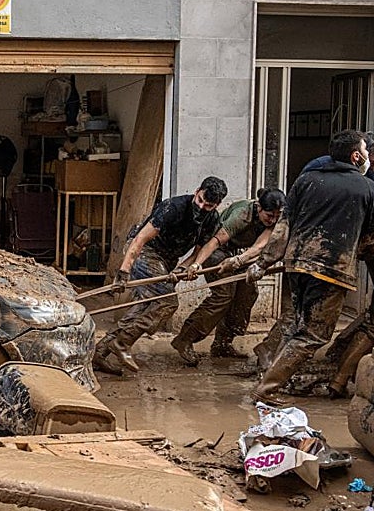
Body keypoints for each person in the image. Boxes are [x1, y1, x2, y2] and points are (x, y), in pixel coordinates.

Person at [251, 129, 374, 403]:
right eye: (365, 151)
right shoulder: (367, 188)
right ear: (356, 156)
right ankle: (267, 388)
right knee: (313, 335)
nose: (368, 155)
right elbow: (369, 238)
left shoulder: (306, 180)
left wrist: (264, 262)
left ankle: (272, 375)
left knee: (298, 326)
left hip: (296, 266)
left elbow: (283, 226)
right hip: (330, 271)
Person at [93, 176, 227, 376]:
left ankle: (101, 351)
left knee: (146, 306)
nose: (201, 207)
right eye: (200, 200)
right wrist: (123, 272)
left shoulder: (212, 219)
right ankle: (122, 343)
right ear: (197, 191)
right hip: (145, 251)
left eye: (208, 206)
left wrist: (185, 268)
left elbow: (198, 253)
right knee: (167, 302)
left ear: (216, 205)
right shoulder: (173, 207)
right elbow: (139, 239)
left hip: (167, 260)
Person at [169, 188, 286, 364]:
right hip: (216, 251)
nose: (273, 220)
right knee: (223, 295)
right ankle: (185, 339)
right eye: (269, 215)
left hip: (237, 254)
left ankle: (222, 343)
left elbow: (259, 246)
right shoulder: (242, 214)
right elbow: (214, 242)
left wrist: (239, 260)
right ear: (259, 207)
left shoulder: (275, 221)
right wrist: (195, 264)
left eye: (277, 216)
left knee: (247, 292)